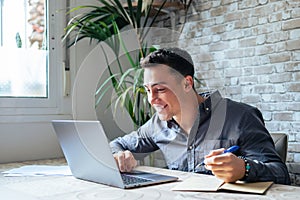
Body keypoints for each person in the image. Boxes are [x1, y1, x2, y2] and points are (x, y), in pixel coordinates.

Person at [110, 47, 291, 185]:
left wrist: (245, 168)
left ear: (187, 83)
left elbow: (281, 174)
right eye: (148, 90)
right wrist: (119, 155)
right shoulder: (157, 125)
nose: (151, 99)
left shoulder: (241, 117)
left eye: (160, 89)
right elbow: (117, 144)